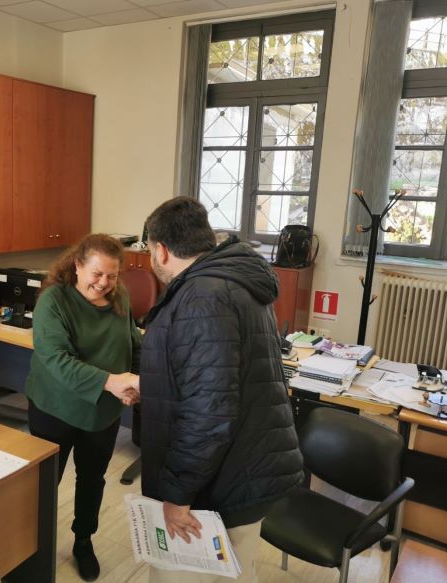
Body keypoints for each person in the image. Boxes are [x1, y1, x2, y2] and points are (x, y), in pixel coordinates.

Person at [140, 197, 304, 583]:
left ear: (161, 250)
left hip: (218, 485)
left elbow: (209, 411)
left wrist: (178, 495)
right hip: (246, 468)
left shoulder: (201, 297)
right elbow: (221, 377)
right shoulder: (234, 280)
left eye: (148, 250)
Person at [25, 233, 141, 582]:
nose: (104, 283)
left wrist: (135, 382)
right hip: (55, 409)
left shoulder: (119, 296)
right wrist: (112, 381)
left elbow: (133, 342)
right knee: (46, 484)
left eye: (112, 276)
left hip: (102, 412)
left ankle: (83, 540)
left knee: (92, 479)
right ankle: (34, 545)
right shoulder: (54, 301)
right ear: (77, 265)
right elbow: (56, 360)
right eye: (96, 273)